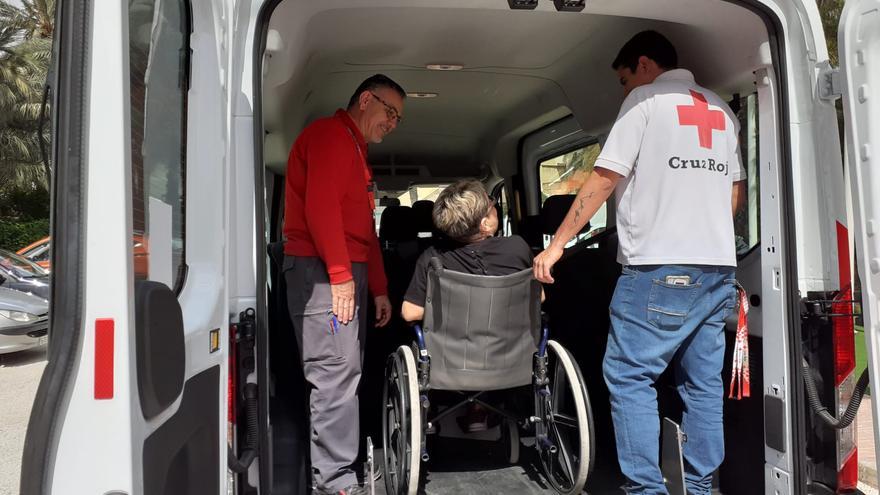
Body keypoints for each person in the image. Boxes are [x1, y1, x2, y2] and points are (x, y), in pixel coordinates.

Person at [534, 31, 746, 494]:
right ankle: (700, 487)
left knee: (630, 378)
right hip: (716, 272)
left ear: (646, 65)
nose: (623, 89)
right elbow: (734, 191)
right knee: (703, 385)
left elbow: (604, 178)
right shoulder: (721, 111)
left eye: (624, 78)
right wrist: (701, 232)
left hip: (657, 270)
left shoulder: (645, 103)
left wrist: (556, 246)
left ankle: (646, 491)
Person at [283, 74, 404, 495]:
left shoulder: (357, 150)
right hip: (322, 273)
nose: (392, 123)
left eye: (397, 120)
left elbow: (364, 231)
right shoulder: (331, 137)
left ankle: (338, 472)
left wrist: (379, 287)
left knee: (344, 373)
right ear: (366, 98)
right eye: (390, 112)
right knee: (334, 376)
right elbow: (320, 209)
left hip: (344, 271)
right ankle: (336, 485)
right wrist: (339, 276)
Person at [401, 179, 535, 431]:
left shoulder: (432, 258)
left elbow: (409, 312)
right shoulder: (518, 247)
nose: (495, 207)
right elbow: (540, 299)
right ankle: (482, 407)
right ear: (485, 224)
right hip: (513, 359)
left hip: (452, 363)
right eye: (492, 205)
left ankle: (467, 408)